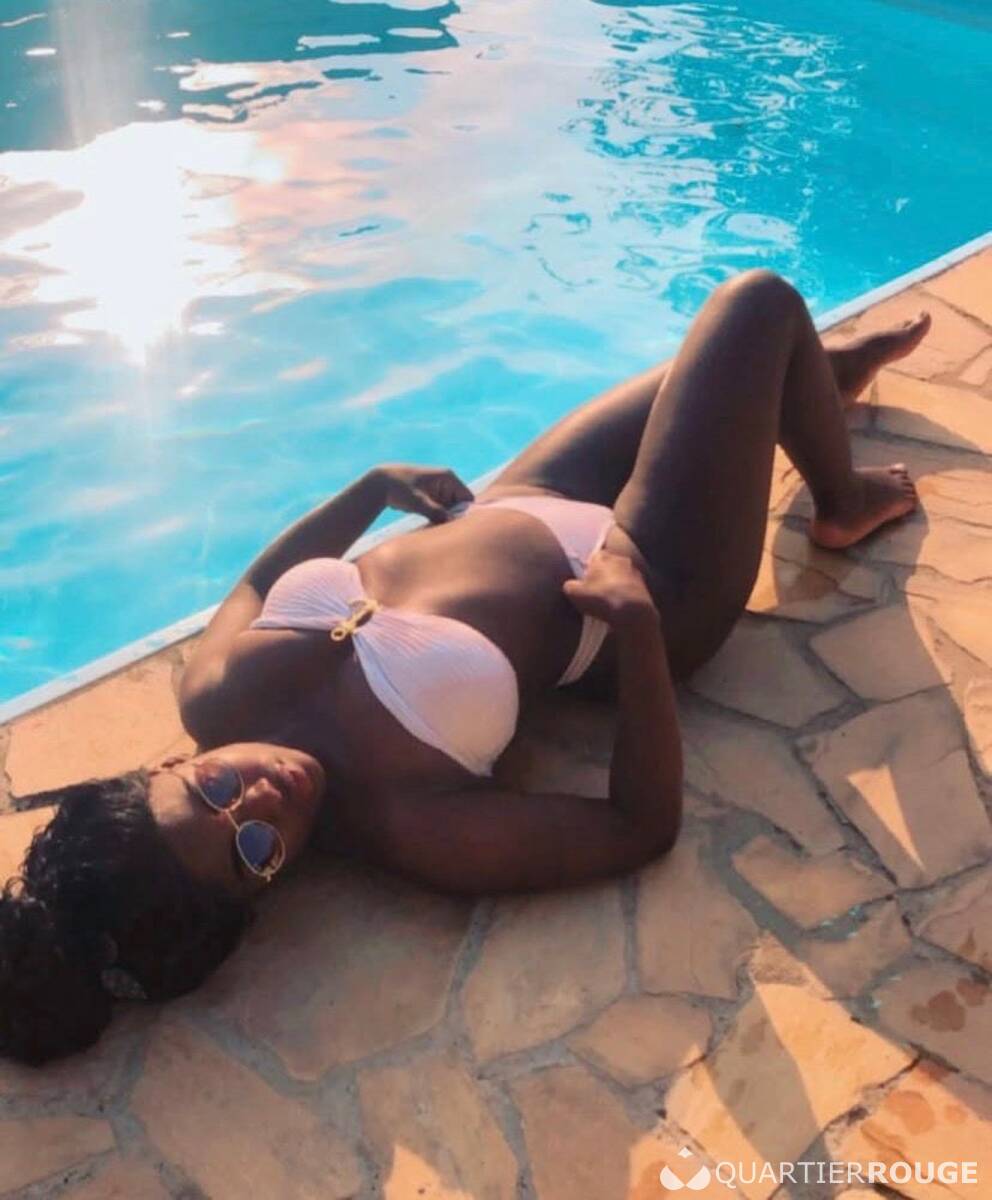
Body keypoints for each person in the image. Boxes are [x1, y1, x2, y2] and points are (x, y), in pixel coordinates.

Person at [0, 270, 930, 1063]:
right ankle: (839, 495)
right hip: (652, 573)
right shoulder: (412, 826)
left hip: (529, 496)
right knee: (755, 305)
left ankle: (811, 385)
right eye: (254, 850)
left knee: (732, 362)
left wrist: (370, 490)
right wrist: (641, 628)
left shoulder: (213, 692)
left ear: (168, 766)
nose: (263, 798)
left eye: (212, 791)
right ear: (264, 894)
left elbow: (252, 582)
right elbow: (639, 826)